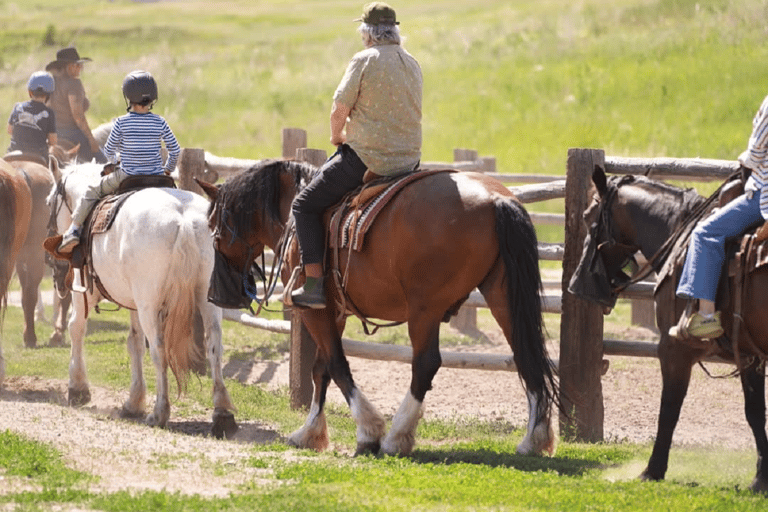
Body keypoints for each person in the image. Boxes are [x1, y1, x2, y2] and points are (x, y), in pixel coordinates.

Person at [290, 2, 422, 309]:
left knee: (304, 205)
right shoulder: (412, 62)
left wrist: (337, 137)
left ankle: (314, 286)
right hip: (408, 161)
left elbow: (340, 109)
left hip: (368, 159)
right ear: (394, 32)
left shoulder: (363, 59)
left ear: (368, 33)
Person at [670, 93, 768, 339]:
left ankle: (706, 316)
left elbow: (756, 154)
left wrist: (745, 159)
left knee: (705, 233)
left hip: (762, 198)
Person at [58, 70, 181, 253]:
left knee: (92, 191)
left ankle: (73, 230)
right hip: (157, 176)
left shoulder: (121, 123)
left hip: (127, 175)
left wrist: (117, 161)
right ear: (153, 97)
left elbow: (108, 150)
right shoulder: (160, 122)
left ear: (128, 97)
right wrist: (167, 170)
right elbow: (175, 150)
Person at [45, 46, 106, 163]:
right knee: (104, 163)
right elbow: (78, 116)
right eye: (77, 65)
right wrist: (91, 139)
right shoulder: (74, 84)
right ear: (69, 66)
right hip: (71, 133)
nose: (81, 68)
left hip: (51, 132)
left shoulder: (50, 82)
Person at [6, 71, 57, 164]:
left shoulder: (18, 107)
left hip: (14, 151)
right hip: (38, 155)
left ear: (30, 92)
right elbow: (52, 141)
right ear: (49, 95)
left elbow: (9, 130)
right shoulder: (49, 113)